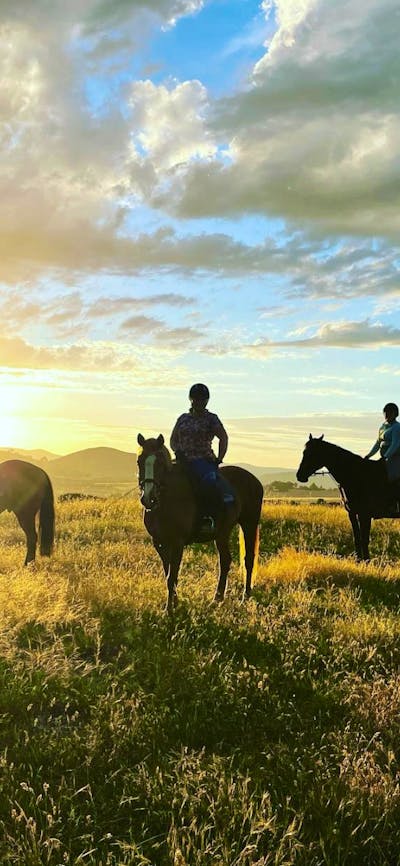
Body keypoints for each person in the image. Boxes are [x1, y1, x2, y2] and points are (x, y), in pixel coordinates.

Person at [170, 383, 234, 518]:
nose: (198, 402)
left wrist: (219, 458)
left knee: (209, 484)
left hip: (203, 460)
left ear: (206, 401)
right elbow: (173, 439)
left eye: (202, 400)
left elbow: (223, 437)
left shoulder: (211, 419)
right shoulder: (183, 419)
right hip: (182, 460)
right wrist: (178, 452)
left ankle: (209, 516)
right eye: (196, 399)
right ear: (191, 400)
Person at [365, 402, 400, 482]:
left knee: (392, 478)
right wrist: (369, 455)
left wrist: (385, 457)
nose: (387, 415)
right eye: (386, 412)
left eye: (390, 413)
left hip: (395, 458)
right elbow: (377, 444)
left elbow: (395, 444)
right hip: (384, 458)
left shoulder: (397, 427)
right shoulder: (383, 427)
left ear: (395, 414)